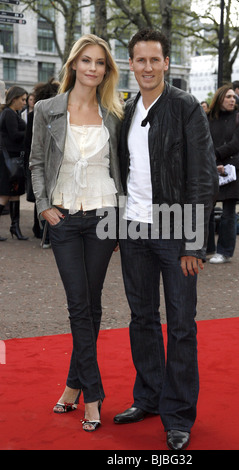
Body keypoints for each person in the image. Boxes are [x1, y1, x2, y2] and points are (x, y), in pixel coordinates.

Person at [113, 28, 218, 451]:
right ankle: (149, 398)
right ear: (132, 65)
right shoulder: (127, 109)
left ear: (166, 63)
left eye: (155, 60)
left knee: (180, 325)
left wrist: (195, 242)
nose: (148, 67)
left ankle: (178, 415)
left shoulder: (186, 107)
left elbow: (203, 176)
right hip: (133, 229)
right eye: (140, 60)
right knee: (141, 318)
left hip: (176, 233)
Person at [29, 34, 123, 432]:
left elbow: (126, 167)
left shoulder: (114, 113)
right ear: (73, 65)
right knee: (77, 303)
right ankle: (94, 395)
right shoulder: (48, 109)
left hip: (104, 215)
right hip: (63, 217)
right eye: (86, 60)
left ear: (106, 70)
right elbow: (35, 162)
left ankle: (72, 385)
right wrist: (43, 205)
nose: (92, 68)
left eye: (100, 63)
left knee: (92, 303)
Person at [207, 84, 239, 264]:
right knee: (206, 209)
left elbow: (237, 142)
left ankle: (224, 251)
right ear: (219, 99)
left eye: (234, 97)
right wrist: (215, 163)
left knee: (228, 212)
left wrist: (217, 156)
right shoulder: (208, 118)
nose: (233, 100)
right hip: (211, 167)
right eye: (228, 97)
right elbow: (204, 142)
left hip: (232, 168)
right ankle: (205, 248)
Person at [24, 78, 60, 244]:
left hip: (35, 159)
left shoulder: (33, 114)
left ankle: (39, 229)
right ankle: (47, 233)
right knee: (48, 195)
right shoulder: (49, 114)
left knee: (40, 194)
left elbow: (27, 141)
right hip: (47, 160)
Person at [0, 86, 28, 241]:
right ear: (14, 99)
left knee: (14, 194)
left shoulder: (11, 113)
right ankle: (14, 227)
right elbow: (15, 136)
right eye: (22, 99)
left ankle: (15, 227)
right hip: (9, 161)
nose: (24, 102)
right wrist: (30, 130)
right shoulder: (9, 113)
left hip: (12, 160)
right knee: (5, 195)